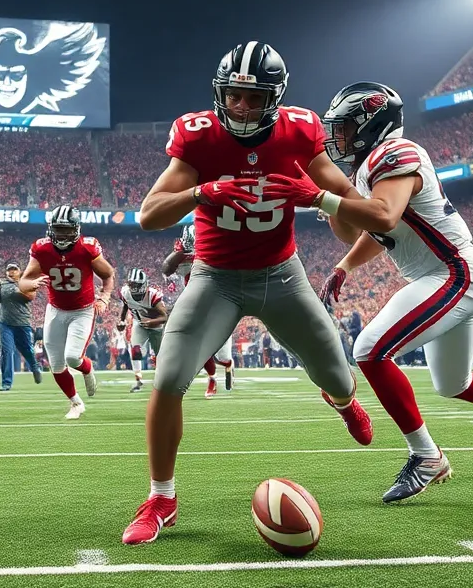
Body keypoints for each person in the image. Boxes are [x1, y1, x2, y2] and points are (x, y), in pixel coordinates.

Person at [122, 43, 371, 546]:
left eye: (250, 98)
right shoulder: (200, 136)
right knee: (169, 377)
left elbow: (351, 214)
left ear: (273, 99)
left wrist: (321, 199)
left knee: (338, 375)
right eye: (232, 95)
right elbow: (149, 215)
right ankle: (161, 498)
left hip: (283, 276)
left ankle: (342, 400)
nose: (239, 107)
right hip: (215, 278)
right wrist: (200, 193)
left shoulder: (300, 131)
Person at [304, 81, 473, 503]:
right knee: (453, 383)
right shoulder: (370, 166)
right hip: (438, 275)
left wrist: (324, 197)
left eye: (347, 127)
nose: (340, 137)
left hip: (453, 272)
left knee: (369, 350)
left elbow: (384, 217)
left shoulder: (395, 153)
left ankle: (426, 456)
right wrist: (345, 262)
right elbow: (371, 230)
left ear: (372, 122)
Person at [18, 204, 116, 419]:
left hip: (82, 310)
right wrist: (31, 284)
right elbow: (23, 281)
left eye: (66, 229)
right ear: (51, 229)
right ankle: (76, 403)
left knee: (73, 357)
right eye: (58, 229)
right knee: (55, 363)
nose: (62, 235)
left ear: (76, 229)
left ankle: (88, 369)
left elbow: (108, 275)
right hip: (55, 309)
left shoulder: (87, 248)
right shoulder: (42, 249)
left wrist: (104, 297)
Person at [161, 224, 235, 396]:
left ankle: (228, 364)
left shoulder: (219, 248)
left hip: (221, 302)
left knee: (222, 356)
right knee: (199, 345)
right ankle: (212, 379)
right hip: (197, 303)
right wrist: (181, 252)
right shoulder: (183, 251)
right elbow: (166, 269)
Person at [0, 261, 43, 391]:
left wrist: (17, 291)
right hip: (5, 323)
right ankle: (6, 383)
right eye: (9, 270)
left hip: (22, 323)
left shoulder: (26, 282)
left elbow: (30, 297)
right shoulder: (1, 283)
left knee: (27, 350)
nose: (12, 272)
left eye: (14, 269)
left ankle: (35, 367)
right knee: (7, 351)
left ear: (20, 271)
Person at [116, 268, 168, 394]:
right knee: (135, 351)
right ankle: (138, 381)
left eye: (136, 285)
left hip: (156, 328)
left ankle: (164, 381)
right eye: (131, 285)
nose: (134, 288)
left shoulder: (153, 295)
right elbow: (125, 306)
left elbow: (164, 317)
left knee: (160, 356)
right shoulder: (125, 293)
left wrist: (151, 322)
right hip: (140, 324)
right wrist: (121, 320)